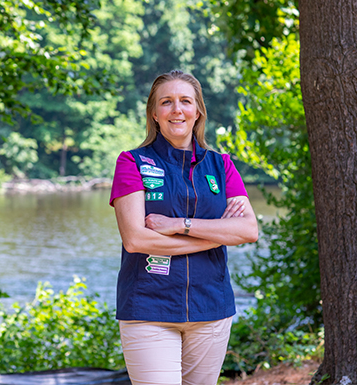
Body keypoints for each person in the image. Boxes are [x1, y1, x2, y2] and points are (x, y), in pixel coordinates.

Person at [109, 70, 259, 385]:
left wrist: (179, 225)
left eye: (185, 101)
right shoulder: (132, 162)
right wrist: (216, 235)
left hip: (212, 308)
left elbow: (248, 231)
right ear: (154, 113)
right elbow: (136, 239)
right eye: (167, 102)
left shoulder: (222, 165)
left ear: (198, 111)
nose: (177, 110)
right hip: (149, 308)